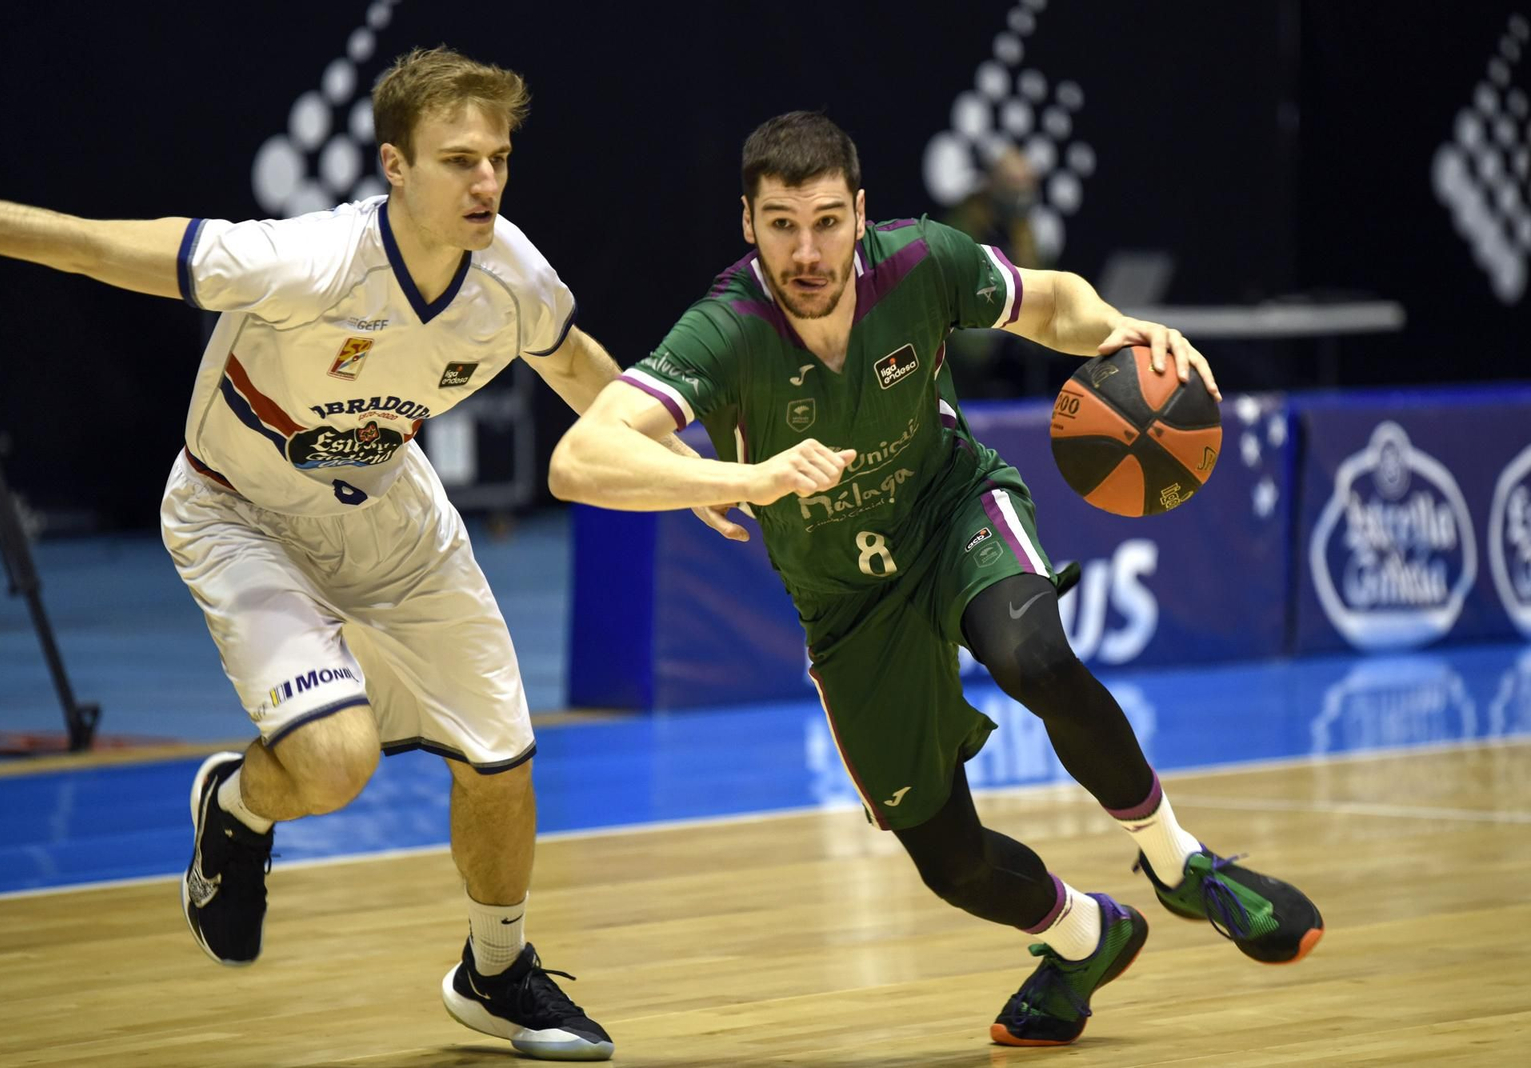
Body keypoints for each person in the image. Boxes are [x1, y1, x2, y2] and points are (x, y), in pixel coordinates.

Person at [0, 47, 730, 1063]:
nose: (484, 181)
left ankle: (496, 973)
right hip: (239, 517)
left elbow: (581, 369)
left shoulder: (512, 274)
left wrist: (682, 469)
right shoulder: (301, 261)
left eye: (496, 159)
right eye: (457, 161)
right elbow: (92, 248)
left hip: (393, 517)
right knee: (333, 760)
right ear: (394, 166)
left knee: (502, 763)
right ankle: (235, 803)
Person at [548, 111, 1323, 1048]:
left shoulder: (920, 262)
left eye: (828, 220)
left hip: (952, 508)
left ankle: (1178, 863)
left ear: (861, 213)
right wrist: (735, 477)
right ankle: (1085, 937)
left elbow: (1049, 303)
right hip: (845, 599)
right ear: (747, 224)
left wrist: (1121, 330)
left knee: (1031, 653)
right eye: (783, 223)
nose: (807, 249)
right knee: (949, 863)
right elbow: (578, 460)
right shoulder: (724, 330)